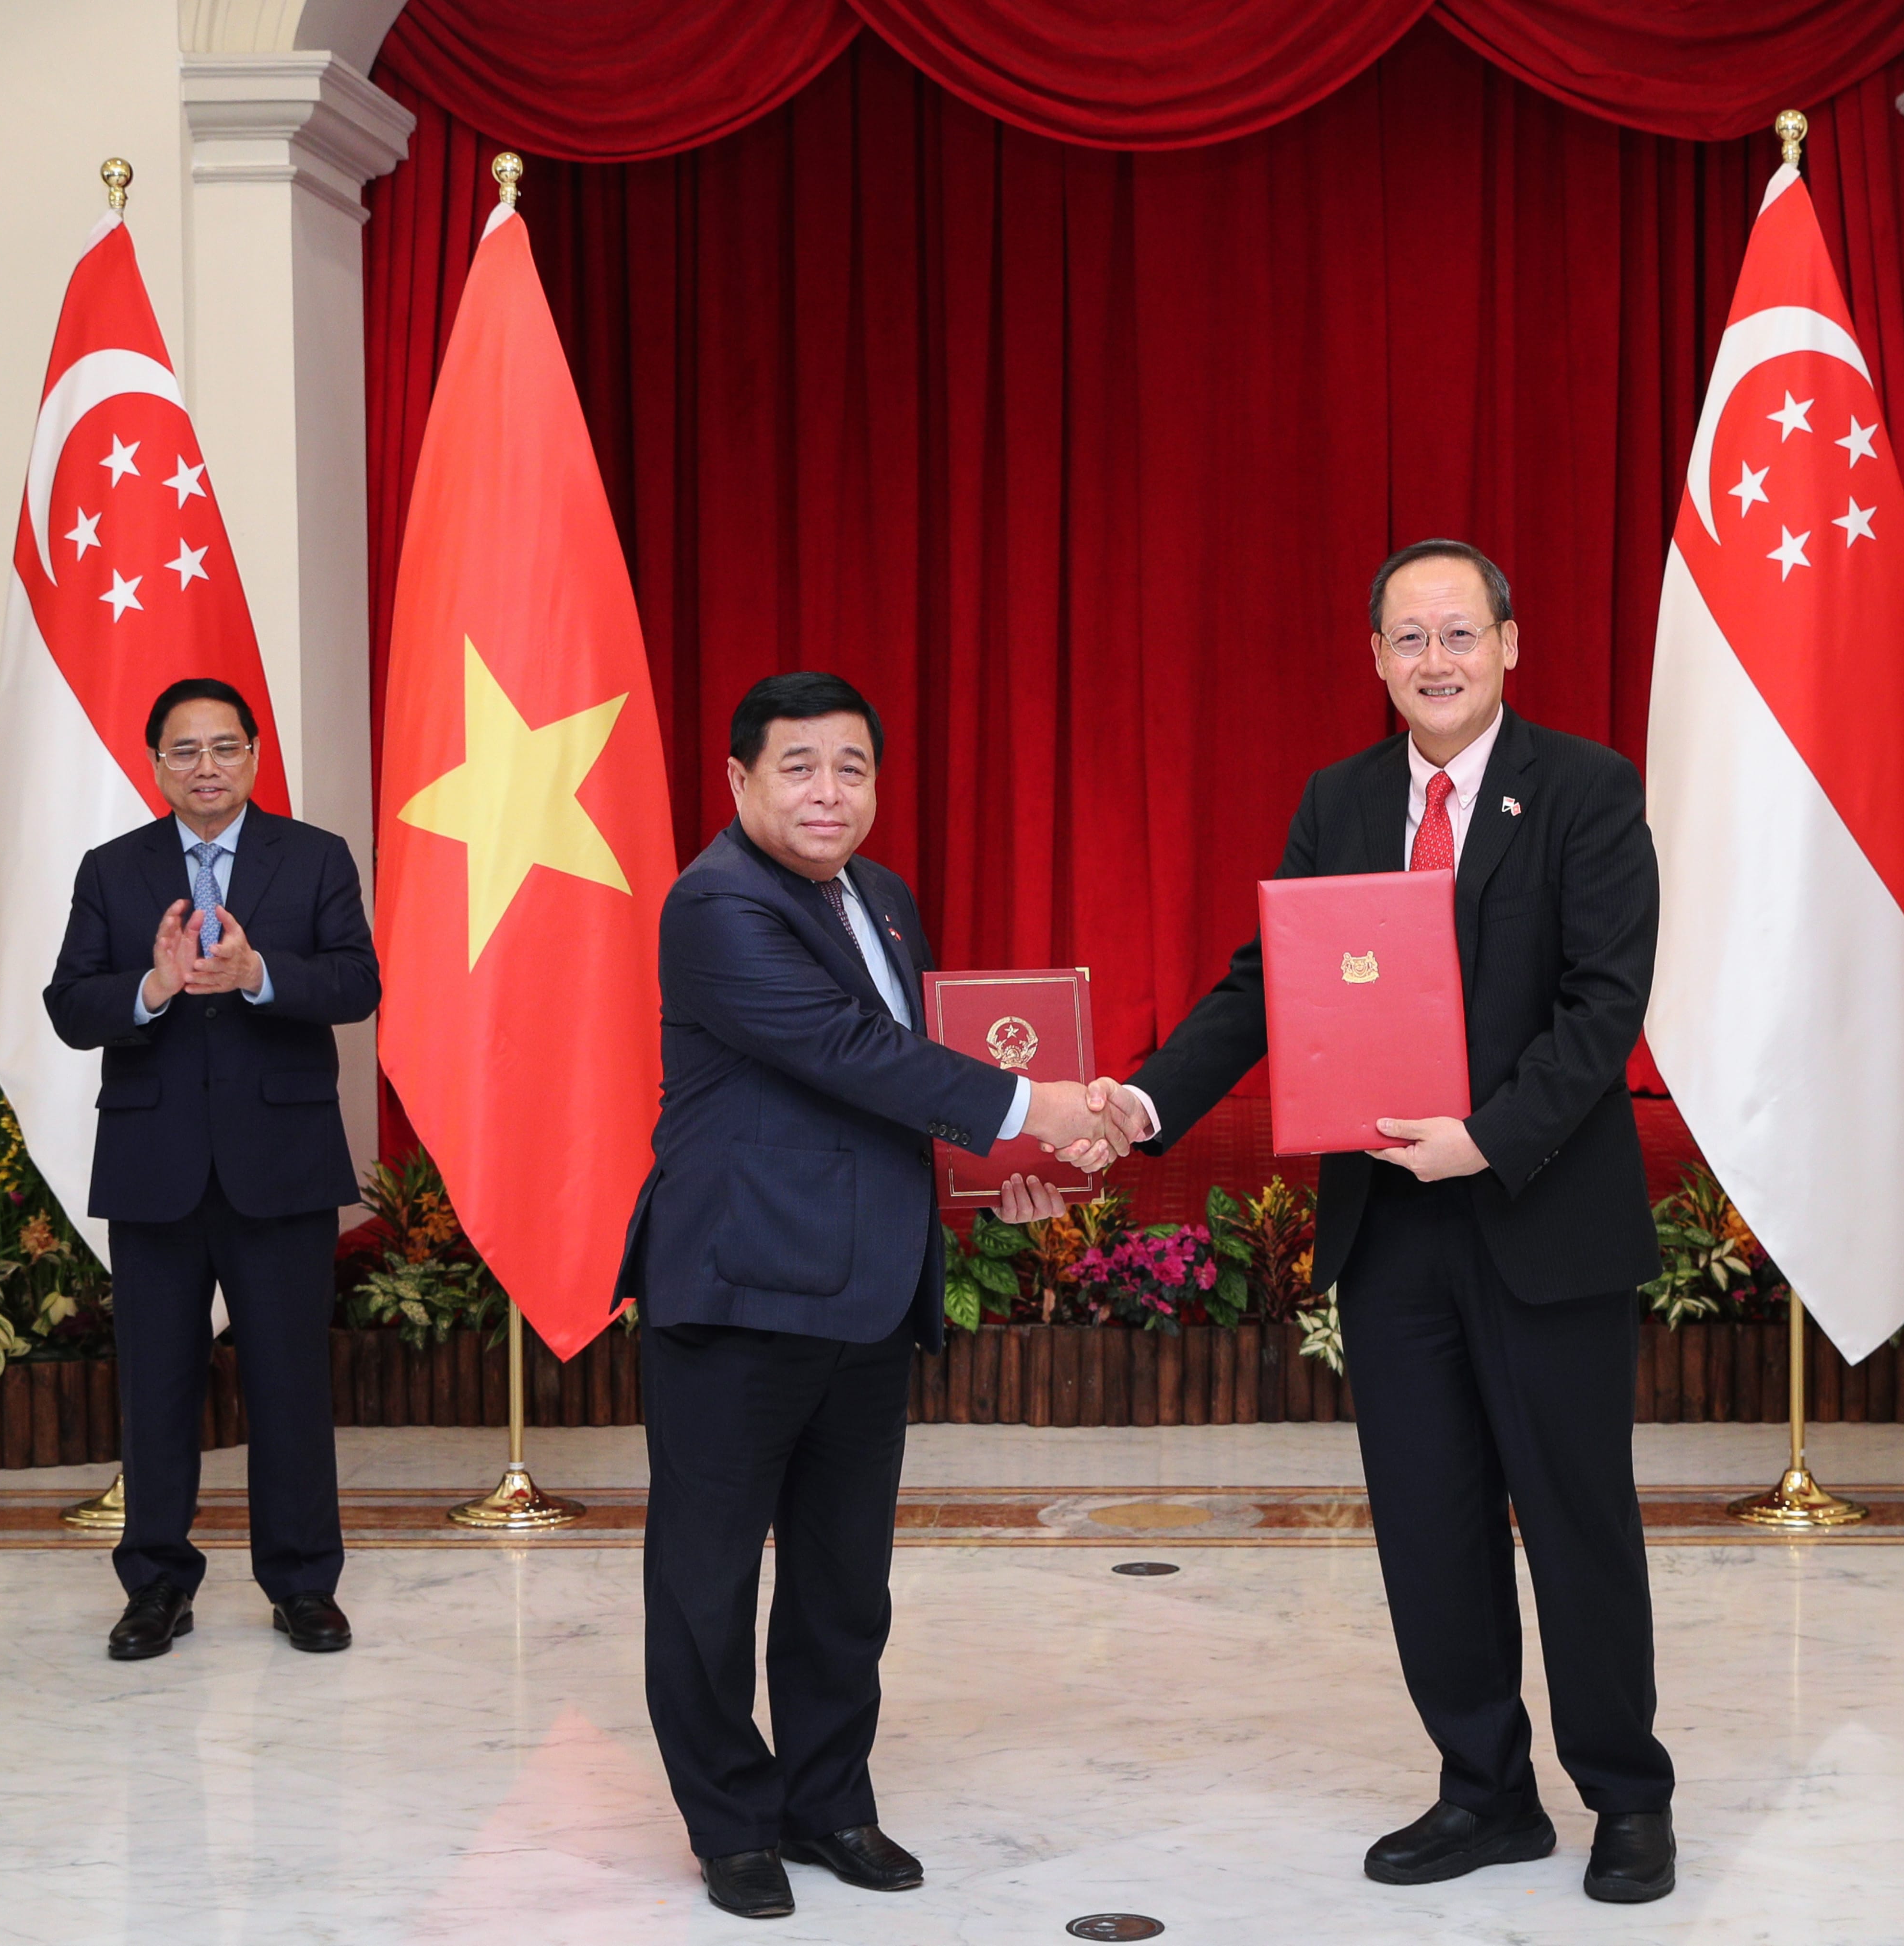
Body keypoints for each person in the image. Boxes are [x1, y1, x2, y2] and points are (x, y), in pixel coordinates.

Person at [1089, 540, 1678, 1906]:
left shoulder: (1587, 790)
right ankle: (1484, 1791)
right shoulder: (1340, 800)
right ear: (1374, 659)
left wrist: (1490, 1136)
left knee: (1576, 1518)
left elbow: (1605, 1004)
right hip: (1392, 1232)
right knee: (1429, 1521)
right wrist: (1145, 1097)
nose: (1436, 660)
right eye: (1408, 638)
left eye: (1459, 633)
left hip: (1540, 1216)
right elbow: (1263, 986)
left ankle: (1627, 1796)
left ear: (1510, 644)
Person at [616, 670, 1131, 1921]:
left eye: (851, 766)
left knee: (846, 1580)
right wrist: (1043, 1111)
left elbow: (904, 1085)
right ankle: (731, 1821)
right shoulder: (716, 904)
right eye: (797, 766)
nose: (827, 791)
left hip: (866, 1292)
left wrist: (995, 1182)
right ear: (739, 781)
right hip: (739, 1292)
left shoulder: (884, 901)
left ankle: (829, 1801)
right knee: (709, 1582)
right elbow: (850, 1051)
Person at [42, 677, 381, 1661]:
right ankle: (156, 1587)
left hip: (280, 1162)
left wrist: (259, 976)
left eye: (224, 747)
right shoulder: (114, 870)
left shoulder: (313, 859)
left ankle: (304, 1584)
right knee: (155, 1387)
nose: (205, 766)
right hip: (155, 1165)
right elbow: (70, 1005)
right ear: (156, 765)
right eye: (184, 751)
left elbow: (357, 981)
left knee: (290, 1384)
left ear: (254, 757)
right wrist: (149, 988)